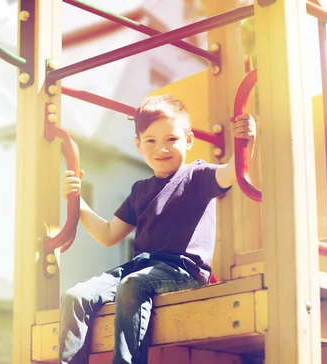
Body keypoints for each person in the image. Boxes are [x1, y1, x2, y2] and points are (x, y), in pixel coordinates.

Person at [58, 95, 256, 364]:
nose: (161, 148)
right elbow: (107, 234)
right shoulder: (141, 190)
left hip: (183, 271)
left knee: (132, 285)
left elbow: (232, 171)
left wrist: (246, 142)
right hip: (140, 269)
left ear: (188, 140)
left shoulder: (197, 176)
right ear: (139, 145)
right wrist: (78, 202)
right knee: (75, 296)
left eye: (171, 139)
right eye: (151, 141)